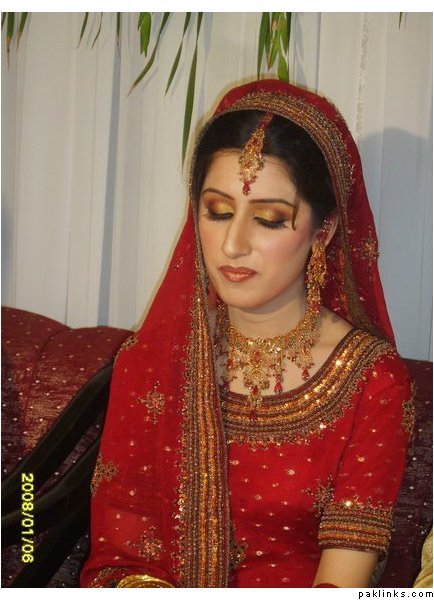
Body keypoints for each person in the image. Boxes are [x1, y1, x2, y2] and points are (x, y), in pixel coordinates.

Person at [80, 79, 414, 588]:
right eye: (217, 212)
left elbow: (343, 582)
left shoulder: (372, 382)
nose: (233, 244)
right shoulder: (152, 362)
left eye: (269, 219)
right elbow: (120, 555)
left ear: (322, 231)